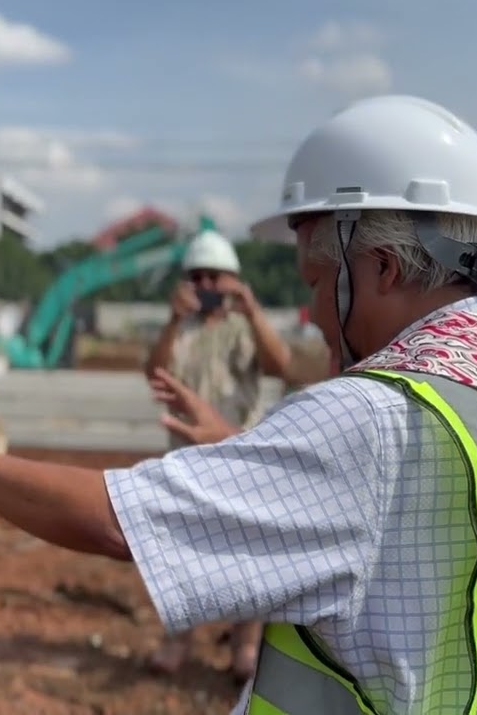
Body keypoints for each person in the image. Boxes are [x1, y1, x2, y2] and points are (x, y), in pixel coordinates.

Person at [0, 95, 477, 713]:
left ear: (382, 267)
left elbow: (111, 522)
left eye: (320, 284)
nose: (316, 313)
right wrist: (242, 444)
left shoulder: (373, 417)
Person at [142, 225, 292, 683]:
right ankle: (179, 639)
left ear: (232, 280)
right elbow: (154, 372)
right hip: (187, 457)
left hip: (240, 454)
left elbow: (280, 366)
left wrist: (250, 309)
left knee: (250, 556)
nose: (206, 287)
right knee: (181, 553)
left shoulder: (244, 328)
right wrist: (172, 321)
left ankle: (245, 645)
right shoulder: (179, 329)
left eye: (215, 277)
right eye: (198, 277)